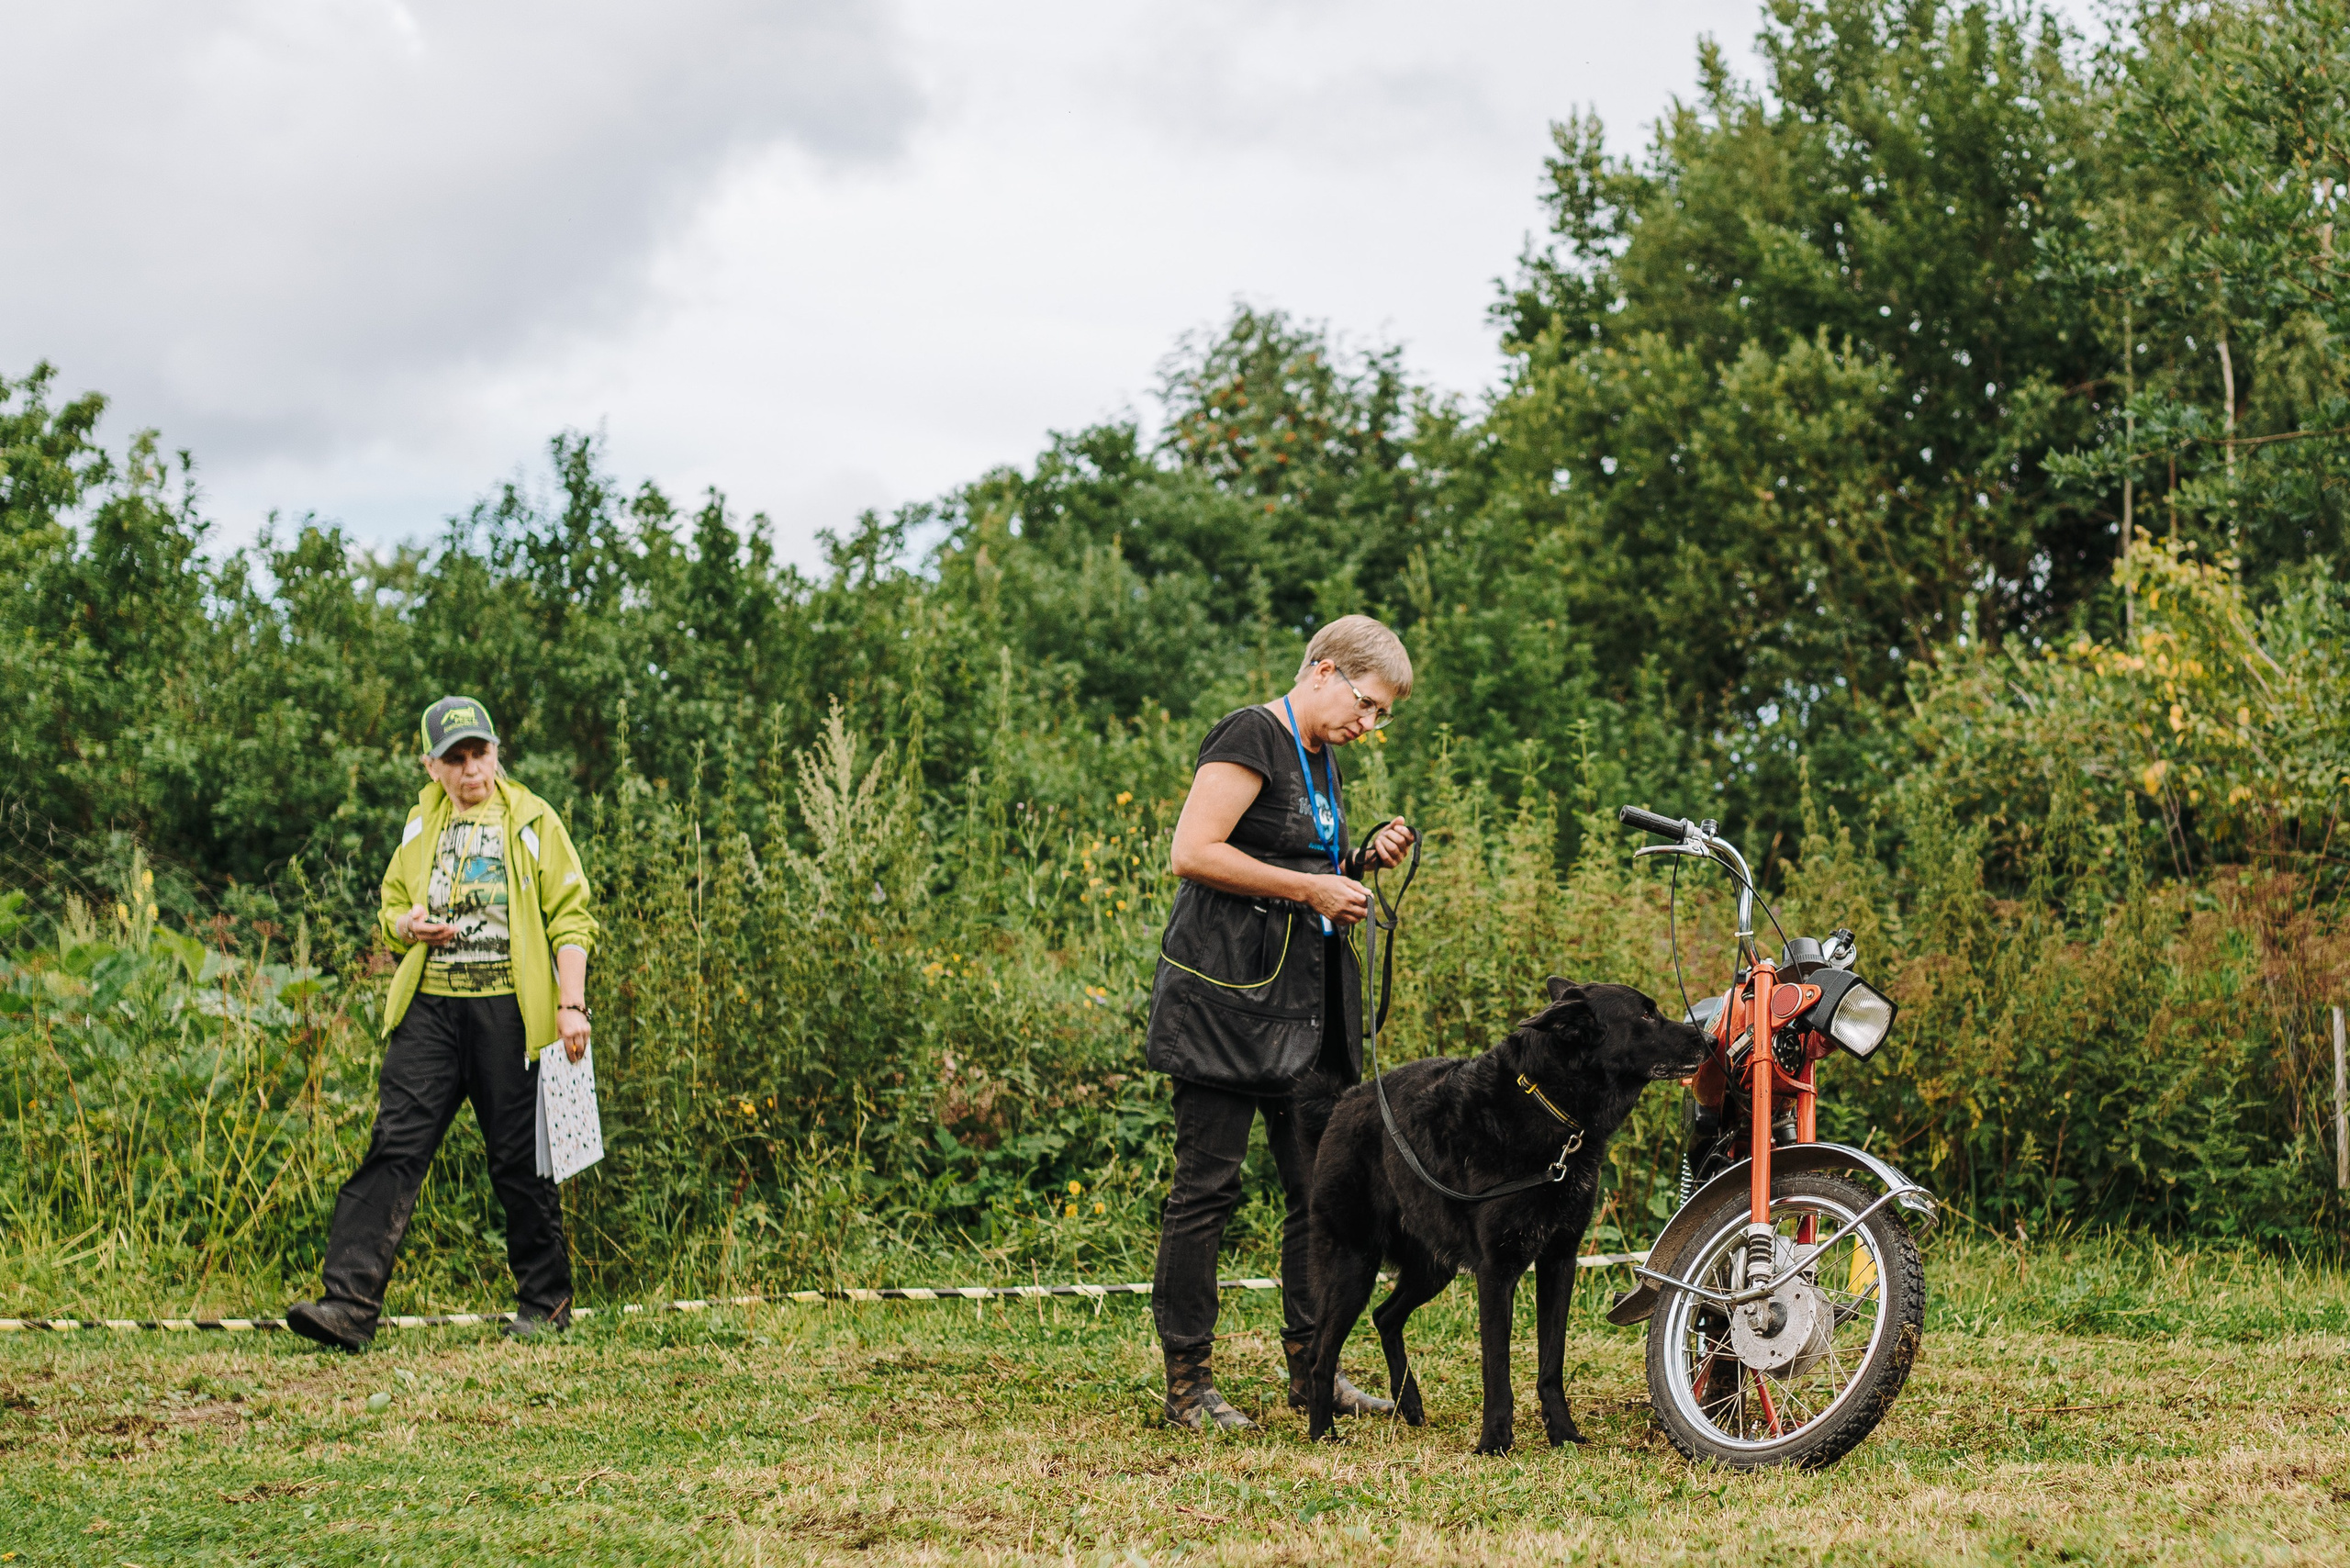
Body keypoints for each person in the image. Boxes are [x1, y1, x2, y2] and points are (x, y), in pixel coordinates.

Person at [1146, 615, 1418, 1428]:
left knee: (1318, 1196)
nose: (1368, 728)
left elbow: (1298, 859)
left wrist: (1356, 865)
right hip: (1222, 1010)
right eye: (1366, 706)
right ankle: (1188, 1384)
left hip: (1305, 1015)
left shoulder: (1323, 759)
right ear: (1326, 671)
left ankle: (1314, 1370)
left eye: (1379, 718)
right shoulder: (1249, 735)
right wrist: (1312, 890)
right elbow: (1192, 851)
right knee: (1207, 1192)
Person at [285, 696, 599, 1351]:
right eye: (453, 759)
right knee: (394, 1147)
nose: (470, 770)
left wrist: (571, 1006)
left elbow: (571, 918)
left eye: (478, 754)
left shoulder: (533, 819)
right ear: (429, 765)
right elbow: (392, 905)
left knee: (519, 1159)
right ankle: (347, 1306)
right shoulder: (418, 823)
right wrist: (406, 927)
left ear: (495, 753)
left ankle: (546, 1304)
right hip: (429, 1008)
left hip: (510, 1014)